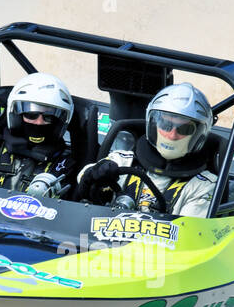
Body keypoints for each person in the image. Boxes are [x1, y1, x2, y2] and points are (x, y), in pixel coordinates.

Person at [77, 82, 218, 217]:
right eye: (166, 124)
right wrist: (94, 173)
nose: (172, 135)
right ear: (153, 124)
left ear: (199, 134)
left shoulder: (204, 186)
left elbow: (187, 235)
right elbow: (82, 178)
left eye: (184, 129)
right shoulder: (122, 160)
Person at [0, 72, 76, 199]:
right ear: (16, 116)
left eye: (48, 117)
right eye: (31, 114)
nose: (39, 122)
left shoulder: (65, 163)